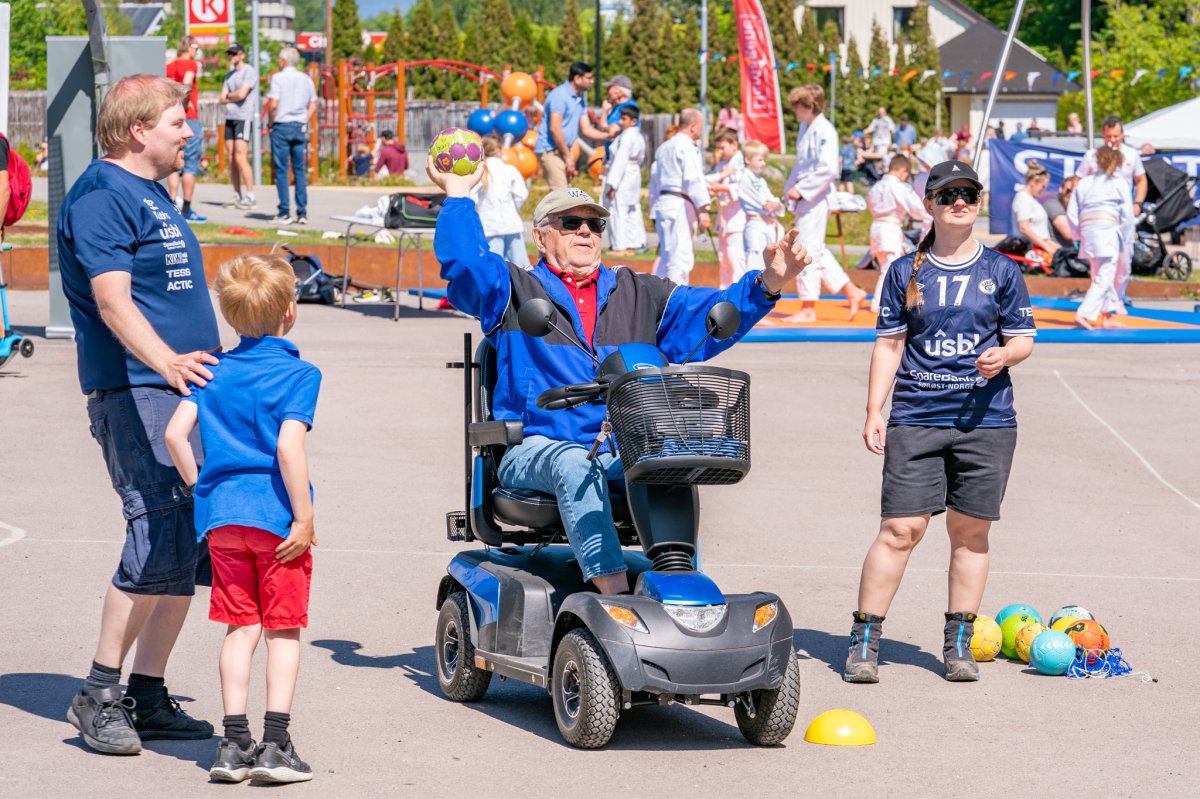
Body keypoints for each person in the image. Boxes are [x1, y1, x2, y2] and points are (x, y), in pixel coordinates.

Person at [432, 167, 812, 594]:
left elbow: (711, 314)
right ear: (541, 238)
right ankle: (614, 598)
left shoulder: (638, 291)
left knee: (668, 457)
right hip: (534, 447)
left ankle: (678, 587)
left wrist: (769, 283)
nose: (585, 232)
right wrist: (459, 194)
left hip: (618, 445)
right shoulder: (514, 288)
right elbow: (465, 265)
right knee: (574, 462)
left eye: (594, 224)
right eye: (570, 223)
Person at [57, 73, 220, 755]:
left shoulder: (150, 193)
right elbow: (113, 300)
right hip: (136, 390)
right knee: (154, 532)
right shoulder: (101, 196)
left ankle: (146, 692)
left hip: (180, 390)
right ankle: (97, 691)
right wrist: (168, 363)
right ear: (138, 130)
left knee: (187, 544)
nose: (190, 132)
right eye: (179, 121)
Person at [845, 160, 1037, 685]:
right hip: (917, 416)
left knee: (970, 532)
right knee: (901, 529)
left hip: (987, 420)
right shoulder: (906, 270)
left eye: (969, 194)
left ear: (978, 202)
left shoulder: (1002, 271)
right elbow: (889, 343)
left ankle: (958, 642)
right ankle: (865, 638)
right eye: (948, 193)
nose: (959, 201)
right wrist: (873, 411)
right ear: (928, 203)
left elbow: (1023, 338)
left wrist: (1005, 357)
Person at [164, 254, 321, 784]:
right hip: (276, 518)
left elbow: (174, 436)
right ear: (289, 313)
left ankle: (232, 745)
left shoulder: (211, 367)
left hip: (223, 518)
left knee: (240, 627)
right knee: (282, 630)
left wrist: (200, 488)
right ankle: (276, 744)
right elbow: (288, 448)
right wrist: (303, 517)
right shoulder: (300, 374)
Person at [784, 84, 866, 322]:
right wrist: (790, 189)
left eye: (798, 108)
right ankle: (852, 291)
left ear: (810, 107)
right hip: (805, 196)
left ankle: (808, 307)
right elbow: (800, 164)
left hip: (816, 197)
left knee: (805, 250)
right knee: (815, 250)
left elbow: (829, 169)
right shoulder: (805, 127)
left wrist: (801, 188)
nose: (795, 113)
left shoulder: (826, 131)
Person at [1075, 115, 1147, 306]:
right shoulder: (1092, 155)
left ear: (1122, 134)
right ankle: (1103, 302)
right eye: (1108, 136)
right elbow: (1078, 181)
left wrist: (1137, 203)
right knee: (1099, 265)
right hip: (1098, 218)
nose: (1112, 140)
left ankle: (1118, 296)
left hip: (1123, 216)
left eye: (1115, 136)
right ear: (1103, 135)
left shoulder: (1131, 154)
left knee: (1124, 262)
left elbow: (1141, 180)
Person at [1067, 146, 1133, 330]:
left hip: (1088, 230)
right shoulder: (1119, 183)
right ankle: (1084, 313)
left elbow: (1072, 212)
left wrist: (1077, 235)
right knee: (1104, 276)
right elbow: (1127, 215)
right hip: (1107, 230)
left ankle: (1106, 315)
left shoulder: (1084, 183)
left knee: (1099, 273)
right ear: (1116, 162)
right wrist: (1126, 237)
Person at [650, 108, 712, 285]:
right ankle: (675, 303)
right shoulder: (686, 146)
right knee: (680, 258)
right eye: (701, 126)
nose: (702, 130)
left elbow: (655, 180)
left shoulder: (664, 147)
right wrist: (703, 209)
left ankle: (659, 302)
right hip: (679, 205)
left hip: (663, 203)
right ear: (693, 126)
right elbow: (692, 179)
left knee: (666, 257)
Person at [867, 155, 930, 314]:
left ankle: (895, 300)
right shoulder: (899, 187)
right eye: (906, 175)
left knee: (887, 265)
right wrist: (930, 212)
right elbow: (917, 210)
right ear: (903, 171)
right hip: (889, 228)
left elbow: (870, 205)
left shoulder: (875, 187)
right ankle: (879, 304)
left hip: (877, 226)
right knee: (889, 268)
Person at [533, 62, 610, 190]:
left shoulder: (580, 100)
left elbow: (586, 129)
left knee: (567, 196)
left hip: (563, 152)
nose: (592, 81)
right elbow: (555, 129)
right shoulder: (560, 96)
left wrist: (608, 135)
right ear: (577, 78)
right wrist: (568, 155)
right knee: (561, 196)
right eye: (589, 78)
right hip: (550, 151)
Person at [266, 48, 318, 225]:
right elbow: (313, 103)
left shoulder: (278, 78)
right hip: (299, 125)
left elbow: (273, 105)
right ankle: (302, 212)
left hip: (282, 124)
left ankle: (284, 212)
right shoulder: (306, 79)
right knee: (299, 170)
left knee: (281, 170)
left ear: (283, 61)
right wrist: (304, 119)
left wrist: (270, 123)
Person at [165, 36, 207, 222]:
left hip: (171, 119)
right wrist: (185, 102)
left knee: (173, 163)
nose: (197, 50)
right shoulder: (191, 64)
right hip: (189, 119)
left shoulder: (169, 66)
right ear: (189, 47)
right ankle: (186, 210)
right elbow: (188, 82)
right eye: (196, 46)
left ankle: (172, 205)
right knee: (190, 164)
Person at [471, 135, 529, 265]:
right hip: (512, 224)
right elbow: (522, 194)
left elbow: (471, 198)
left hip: (490, 226)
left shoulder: (480, 172)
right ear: (499, 151)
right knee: (522, 268)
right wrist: (513, 209)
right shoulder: (510, 170)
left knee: (494, 268)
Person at [602, 103, 646, 257]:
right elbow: (641, 158)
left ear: (633, 121)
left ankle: (620, 246)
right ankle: (632, 244)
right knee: (631, 208)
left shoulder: (627, 137)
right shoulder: (637, 136)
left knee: (618, 209)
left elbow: (620, 160)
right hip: (633, 172)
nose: (621, 121)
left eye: (624, 118)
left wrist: (613, 185)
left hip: (623, 173)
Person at [220, 42, 258, 210]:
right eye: (229, 53)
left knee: (240, 157)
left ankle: (250, 195)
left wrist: (230, 95)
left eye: (234, 53)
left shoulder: (249, 72)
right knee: (231, 158)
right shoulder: (229, 76)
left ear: (242, 54)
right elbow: (222, 98)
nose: (231, 56)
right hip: (230, 117)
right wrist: (230, 96)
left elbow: (242, 94)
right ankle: (237, 194)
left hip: (243, 118)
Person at [707, 127, 747, 289]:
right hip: (724, 218)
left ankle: (738, 297)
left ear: (734, 144)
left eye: (722, 147)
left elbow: (743, 189)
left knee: (735, 258)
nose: (720, 151)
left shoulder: (742, 164)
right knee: (723, 259)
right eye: (718, 148)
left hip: (737, 218)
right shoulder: (722, 165)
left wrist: (721, 188)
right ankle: (724, 293)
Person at [737, 140, 783, 273]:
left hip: (767, 224)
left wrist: (776, 204)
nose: (763, 163)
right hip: (755, 223)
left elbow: (775, 203)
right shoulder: (745, 178)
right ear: (747, 159)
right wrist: (774, 204)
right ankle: (752, 293)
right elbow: (766, 204)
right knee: (754, 263)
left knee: (767, 264)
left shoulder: (760, 181)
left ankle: (763, 293)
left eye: (764, 160)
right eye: (760, 160)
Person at [1011, 160, 1059, 257]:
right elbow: (1024, 228)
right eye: (1043, 186)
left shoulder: (1031, 199)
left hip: (1041, 247)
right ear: (1033, 182)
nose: (1044, 190)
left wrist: (1051, 245)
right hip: (1032, 250)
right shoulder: (1023, 198)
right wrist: (1046, 247)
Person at [1044, 176, 1078, 250]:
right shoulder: (1052, 204)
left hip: (1070, 254)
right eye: (1068, 190)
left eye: (1075, 192)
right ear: (1061, 189)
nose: (1071, 194)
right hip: (1058, 257)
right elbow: (1068, 233)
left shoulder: (1075, 210)